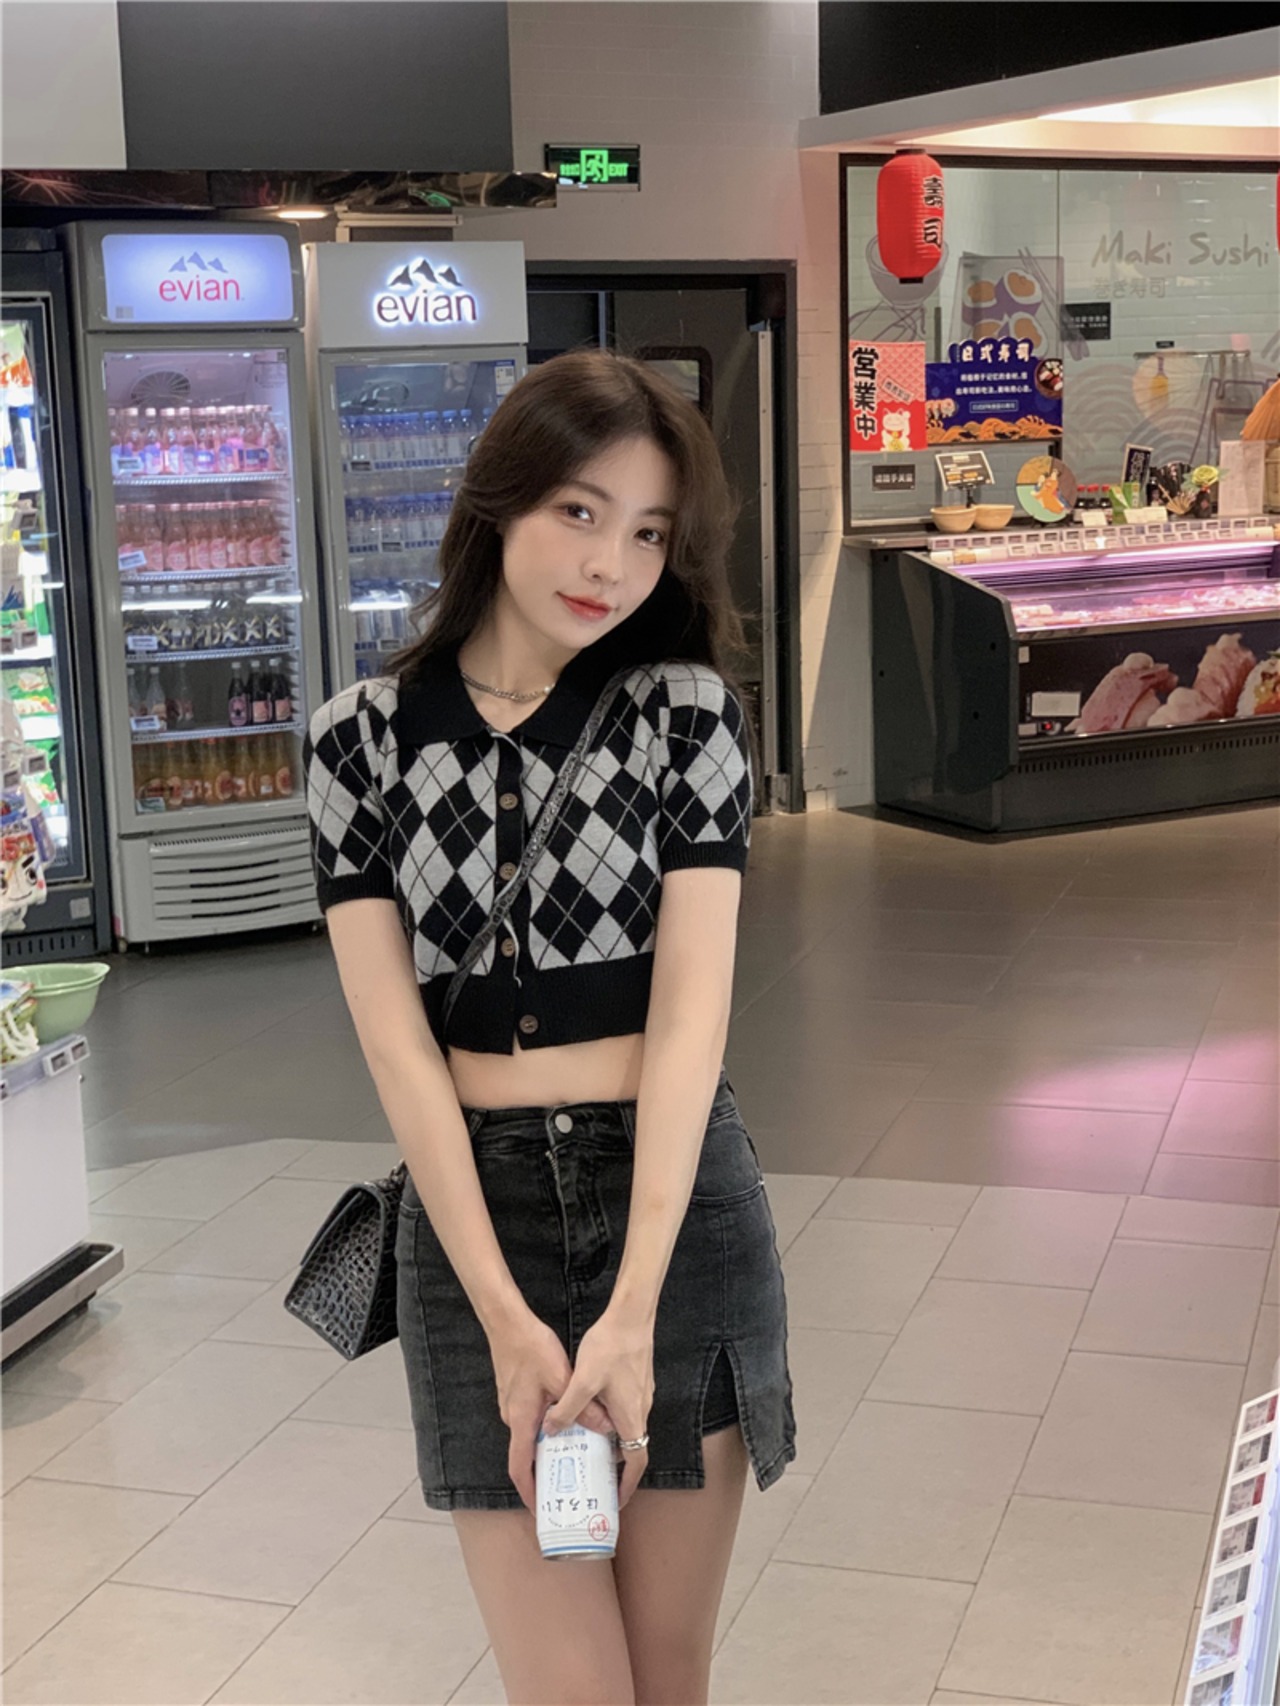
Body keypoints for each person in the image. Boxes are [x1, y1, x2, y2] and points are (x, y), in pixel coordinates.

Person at [303, 351, 795, 1706]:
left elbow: (692, 1021)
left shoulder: (687, 719)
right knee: (572, 1689)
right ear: (499, 499)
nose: (609, 566)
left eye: (648, 533)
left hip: (675, 1214)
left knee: (667, 1673)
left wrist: (632, 1308)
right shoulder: (360, 743)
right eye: (580, 512)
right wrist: (508, 1318)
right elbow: (399, 1051)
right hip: (480, 1220)